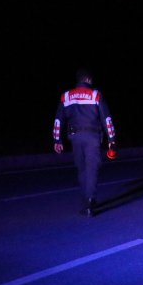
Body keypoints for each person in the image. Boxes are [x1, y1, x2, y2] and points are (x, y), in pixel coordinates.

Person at [53, 68, 117, 217]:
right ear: (88, 80)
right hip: (92, 137)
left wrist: (57, 139)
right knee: (92, 169)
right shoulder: (96, 95)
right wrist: (112, 140)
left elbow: (58, 120)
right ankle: (90, 201)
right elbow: (107, 120)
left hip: (75, 137)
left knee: (81, 169)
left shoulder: (66, 96)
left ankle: (85, 201)